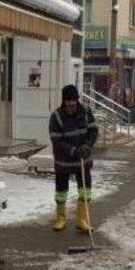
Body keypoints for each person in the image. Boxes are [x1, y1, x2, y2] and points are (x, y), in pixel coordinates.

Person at [49, 84, 98, 233]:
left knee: (85, 190)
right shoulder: (56, 117)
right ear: (64, 101)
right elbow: (57, 141)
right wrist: (73, 151)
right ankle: (61, 218)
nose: (71, 105)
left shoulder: (86, 112)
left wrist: (88, 146)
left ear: (77, 100)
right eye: (68, 102)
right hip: (64, 161)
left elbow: (93, 131)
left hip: (83, 159)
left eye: (74, 101)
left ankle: (82, 219)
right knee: (61, 190)